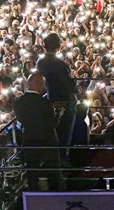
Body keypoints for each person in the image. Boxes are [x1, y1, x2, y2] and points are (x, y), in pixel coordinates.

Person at [13, 73, 66, 191]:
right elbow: (53, 123)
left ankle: (32, 194)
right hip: (48, 140)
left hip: (30, 139)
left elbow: (21, 119)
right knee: (55, 171)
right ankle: (60, 194)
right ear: (40, 84)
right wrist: (59, 114)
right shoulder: (45, 103)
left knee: (32, 171)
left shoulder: (18, 101)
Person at [36, 32, 77, 167]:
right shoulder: (61, 65)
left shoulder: (40, 62)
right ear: (59, 46)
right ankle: (62, 162)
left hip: (50, 100)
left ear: (44, 45)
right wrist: (75, 83)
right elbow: (69, 85)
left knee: (53, 133)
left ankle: (53, 161)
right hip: (66, 102)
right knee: (65, 133)